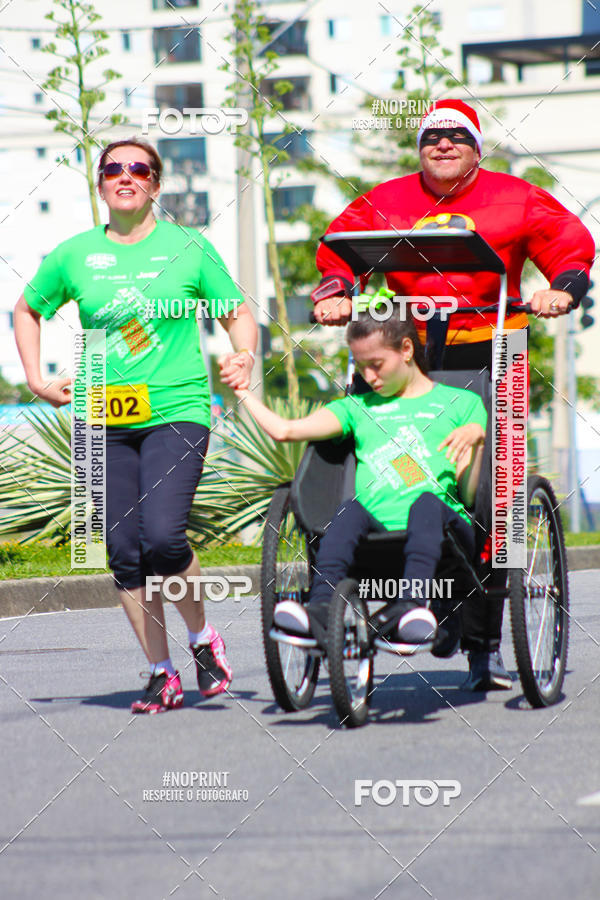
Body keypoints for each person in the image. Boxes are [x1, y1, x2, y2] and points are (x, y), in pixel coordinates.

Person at [310, 98, 595, 690]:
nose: (444, 145)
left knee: (497, 496)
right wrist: (336, 290)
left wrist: (560, 289)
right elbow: (340, 250)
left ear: (476, 146)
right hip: (407, 352)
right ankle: (363, 589)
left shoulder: (515, 196)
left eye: (457, 137)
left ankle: (480, 643)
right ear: (420, 147)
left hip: (495, 348)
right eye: (432, 137)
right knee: (365, 468)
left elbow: (567, 242)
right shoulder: (384, 201)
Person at [14, 138, 258, 714]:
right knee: (124, 553)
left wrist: (243, 353)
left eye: (139, 168)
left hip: (176, 408)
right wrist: (34, 377)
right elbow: (27, 310)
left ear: (156, 182)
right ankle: (160, 671)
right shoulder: (73, 255)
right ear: (100, 183)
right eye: (113, 169)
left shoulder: (189, 248)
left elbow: (237, 312)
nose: (126, 176)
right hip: (103, 414)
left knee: (164, 538)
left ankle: (202, 639)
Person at [236, 308, 487, 653]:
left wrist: (478, 435)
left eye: (377, 364)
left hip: (443, 531)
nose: (369, 375)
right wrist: (243, 391)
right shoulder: (356, 407)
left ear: (406, 350)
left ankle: (411, 607)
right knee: (349, 510)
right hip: (375, 534)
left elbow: (471, 494)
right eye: (360, 365)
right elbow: (286, 429)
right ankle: (320, 609)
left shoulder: (463, 403)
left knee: (426, 503)